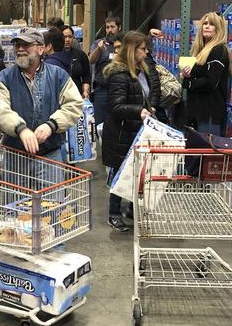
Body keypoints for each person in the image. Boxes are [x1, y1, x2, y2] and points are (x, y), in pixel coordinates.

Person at [0, 27, 83, 161]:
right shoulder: (5, 77)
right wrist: (21, 129)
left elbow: (74, 104)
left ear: (41, 49)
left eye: (26, 45)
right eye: (17, 45)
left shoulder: (58, 75)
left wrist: (51, 125)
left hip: (50, 156)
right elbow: (1, 110)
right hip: (15, 157)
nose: (20, 49)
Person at [101, 31, 160, 232]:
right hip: (121, 133)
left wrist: (149, 107)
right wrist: (139, 111)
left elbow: (149, 92)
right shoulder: (119, 74)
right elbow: (116, 106)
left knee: (137, 173)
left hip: (137, 130)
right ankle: (114, 214)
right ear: (132, 50)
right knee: (120, 175)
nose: (146, 52)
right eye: (142, 49)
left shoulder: (141, 70)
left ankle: (131, 210)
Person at [179, 12, 232, 135]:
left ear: (219, 29)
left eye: (212, 24)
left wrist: (188, 82)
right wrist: (188, 74)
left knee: (206, 150)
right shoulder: (202, 50)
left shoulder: (219, 50)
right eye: (205, 23)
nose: (207, 26)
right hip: (198, 111)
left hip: (209, 113)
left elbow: (210, 82)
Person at [89, 16, 122, 125]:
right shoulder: (98, 43)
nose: (109, 30)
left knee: (116, 123)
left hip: (119, 90)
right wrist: (99, 49)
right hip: (101, 90)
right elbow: (91, 61)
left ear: (119, 28)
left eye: (112, 27)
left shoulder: (124, 44)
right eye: (107, 27)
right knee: (99, 123)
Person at [61, 25, 92, 99]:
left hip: (77, 95)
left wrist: (85, 91)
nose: (67, 39)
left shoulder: (81, 55)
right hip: (60, 95)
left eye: (70, 37)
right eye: (64, 37)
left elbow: (86, 76)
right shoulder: (55, 55)